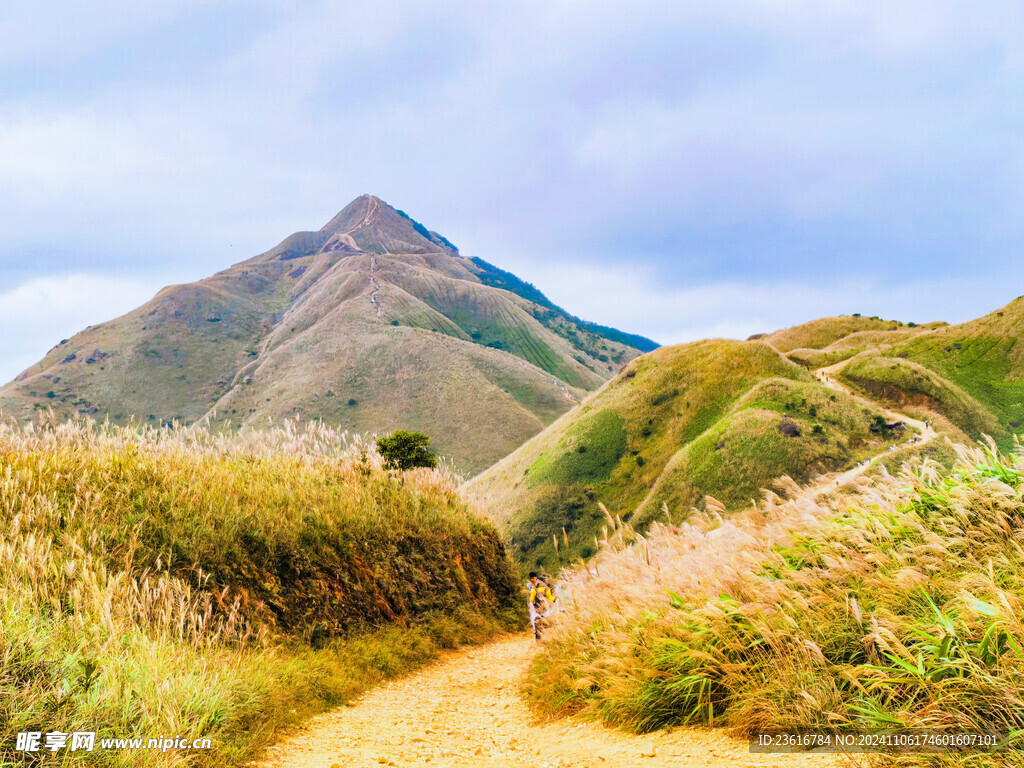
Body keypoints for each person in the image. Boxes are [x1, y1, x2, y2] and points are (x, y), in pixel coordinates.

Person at [527, 572, 558, 640]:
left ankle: (539, 640)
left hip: (538, 609)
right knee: (548, 623)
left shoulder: (534, 587)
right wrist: (555, 598)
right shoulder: (545, 587)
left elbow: (531, 599)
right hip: (545, 609)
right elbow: (550, 598)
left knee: (537, 623)